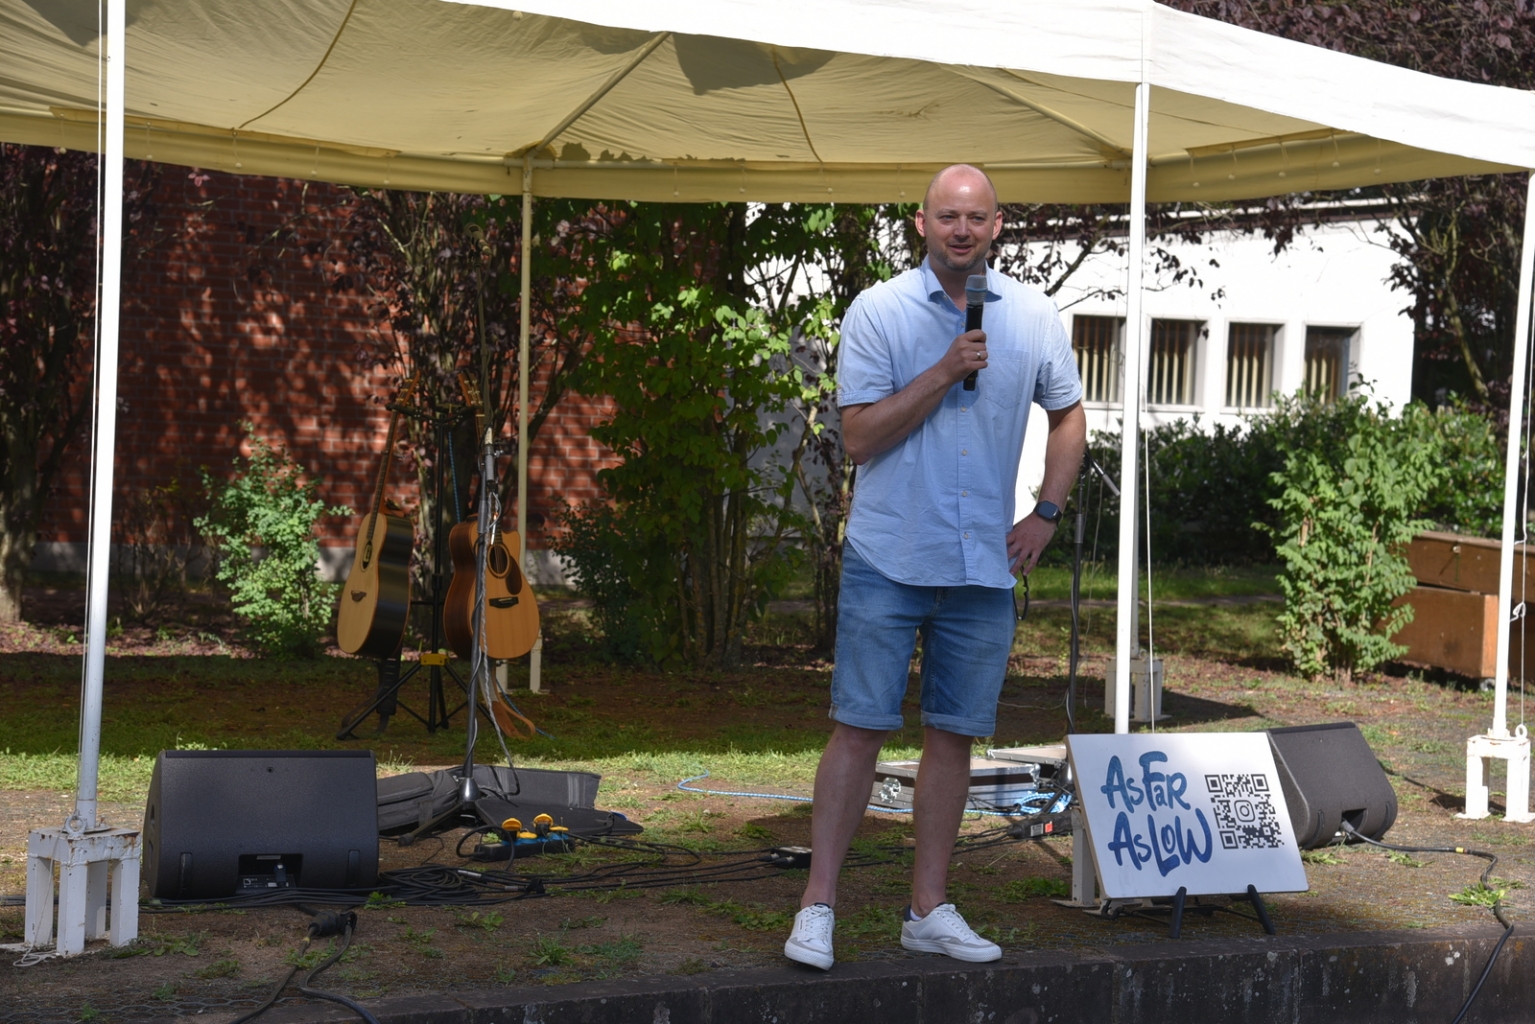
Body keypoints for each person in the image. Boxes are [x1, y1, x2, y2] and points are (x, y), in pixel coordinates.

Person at [783, 164, 1086, 970]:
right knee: (859, 729)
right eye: (946, 216)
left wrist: (1045, 513)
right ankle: (817, 906)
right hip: (891, 555)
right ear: (920, 225)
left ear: (996, 225)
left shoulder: (1031, 316)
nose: (961, 229)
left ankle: (927, 908)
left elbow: (1067, 415)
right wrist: (945, 369)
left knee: (953, 737)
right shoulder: (878, 311)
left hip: (982, 567)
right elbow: (857, 438)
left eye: (976, 217)